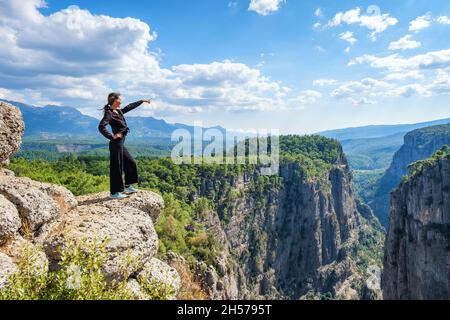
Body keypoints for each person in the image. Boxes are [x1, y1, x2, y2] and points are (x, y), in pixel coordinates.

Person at [98, 92, 151, 199]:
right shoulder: (109, 113)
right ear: (114, 100)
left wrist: (141, 101)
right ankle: (114, 193)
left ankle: (127, 186)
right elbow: (101, 126)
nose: (121, 101)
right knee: (117, 167)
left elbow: (129, 107)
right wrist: (112, 136)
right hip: (116, 143)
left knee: (130, 162)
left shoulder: (118, 111)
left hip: (120, 143)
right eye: (119, 100)